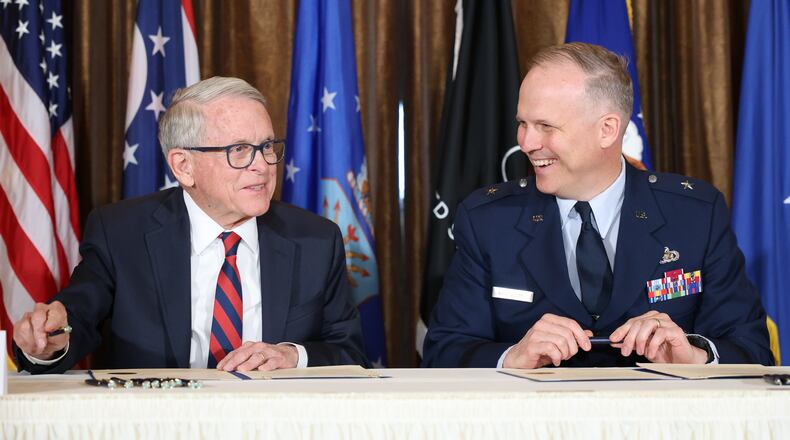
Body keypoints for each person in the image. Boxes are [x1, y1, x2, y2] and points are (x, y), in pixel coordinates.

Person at [422, 43, 773, 369]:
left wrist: (693, 356)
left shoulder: (695, 214)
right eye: (523, 124)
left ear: (607, 130)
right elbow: (442, 353)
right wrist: (512, 357)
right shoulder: (488, 220)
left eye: (545, 126)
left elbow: (754, 351)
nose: (526, 143)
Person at [13, 76, 369, 373]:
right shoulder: (121, 232)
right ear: (183, 166)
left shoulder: (315, 238)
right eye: (240, 150)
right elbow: (76, 319)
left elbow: (350, 353)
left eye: (267, 146)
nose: (262, 165)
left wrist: (292, 355)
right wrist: (48, 341)